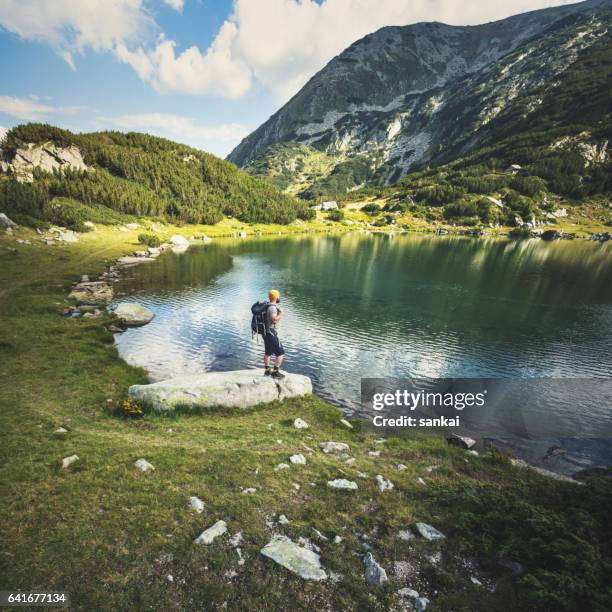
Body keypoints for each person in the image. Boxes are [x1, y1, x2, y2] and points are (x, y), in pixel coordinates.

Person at [264, 289, 285, 379]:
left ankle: (267, 370)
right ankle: (275, 372)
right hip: (271, 332)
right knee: (281, 353)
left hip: (266, 332)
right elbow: (274, 320)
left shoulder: (267, 306)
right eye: (278, 296)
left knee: (268, 352)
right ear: (276, 297)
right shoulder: (272, 308)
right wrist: (280, 314)